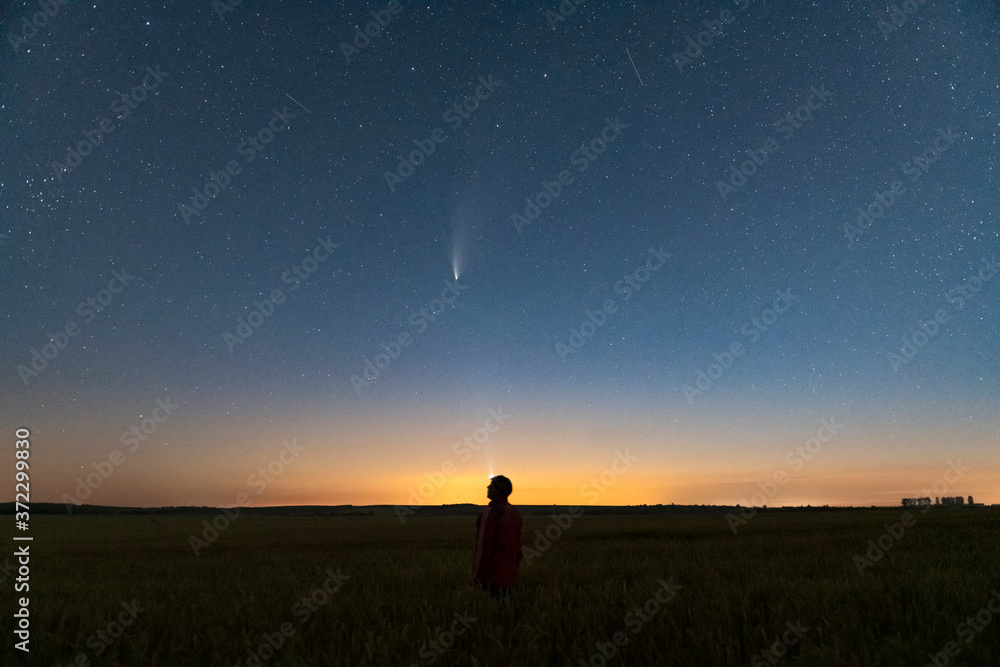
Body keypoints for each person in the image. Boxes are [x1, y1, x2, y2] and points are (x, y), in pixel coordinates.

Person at [471, 475, 523, 599]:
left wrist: (477, 578)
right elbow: (519, 550)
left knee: (489, 615)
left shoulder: (491, 513)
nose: (487, 487)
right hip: (510, 579)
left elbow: (483, 549)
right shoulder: (515, 513)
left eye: (491, 485)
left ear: (497, 490)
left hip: (492, 580)